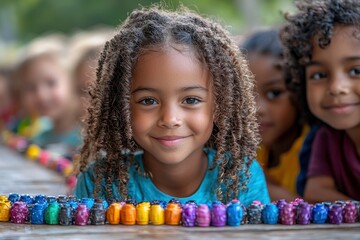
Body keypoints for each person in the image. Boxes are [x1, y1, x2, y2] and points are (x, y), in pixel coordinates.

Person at [75, 6, 270, 206]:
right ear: (121, 107)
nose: (169, 119)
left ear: (219, 105)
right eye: (148, 101)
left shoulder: (241, 179)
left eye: (191, 100)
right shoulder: (100, 183)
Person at [281, 0, 360, 202]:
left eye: (355, 71)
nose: (336, 87)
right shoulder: (325, 138)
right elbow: (315, 191)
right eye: (319, 75)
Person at [241, 29, 309, 202]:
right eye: (245, 96)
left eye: (274, 93)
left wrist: (257, 181)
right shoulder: (253, 149)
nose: (256, 109)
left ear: (300, 91)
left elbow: (311, 210)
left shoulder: (316, 147)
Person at [15, 52, 82, 157]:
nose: (41, 95)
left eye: (51, 83)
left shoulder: (86, 139)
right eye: (30, 87)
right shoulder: (39, 137)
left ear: (72, 83)